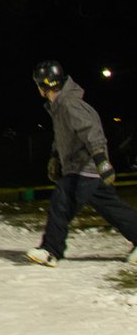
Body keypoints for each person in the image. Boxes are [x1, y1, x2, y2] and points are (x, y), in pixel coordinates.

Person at [24, 60, 137, 267]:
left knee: (62, 201)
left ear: (44, 85)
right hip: (83, 168)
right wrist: (55, 156)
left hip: (85, 168)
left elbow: (91, 131)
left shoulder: (69, 104)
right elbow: (63, 136)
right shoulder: (58, 106)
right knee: (113, 209)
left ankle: (51, 250)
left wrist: (101, 160)